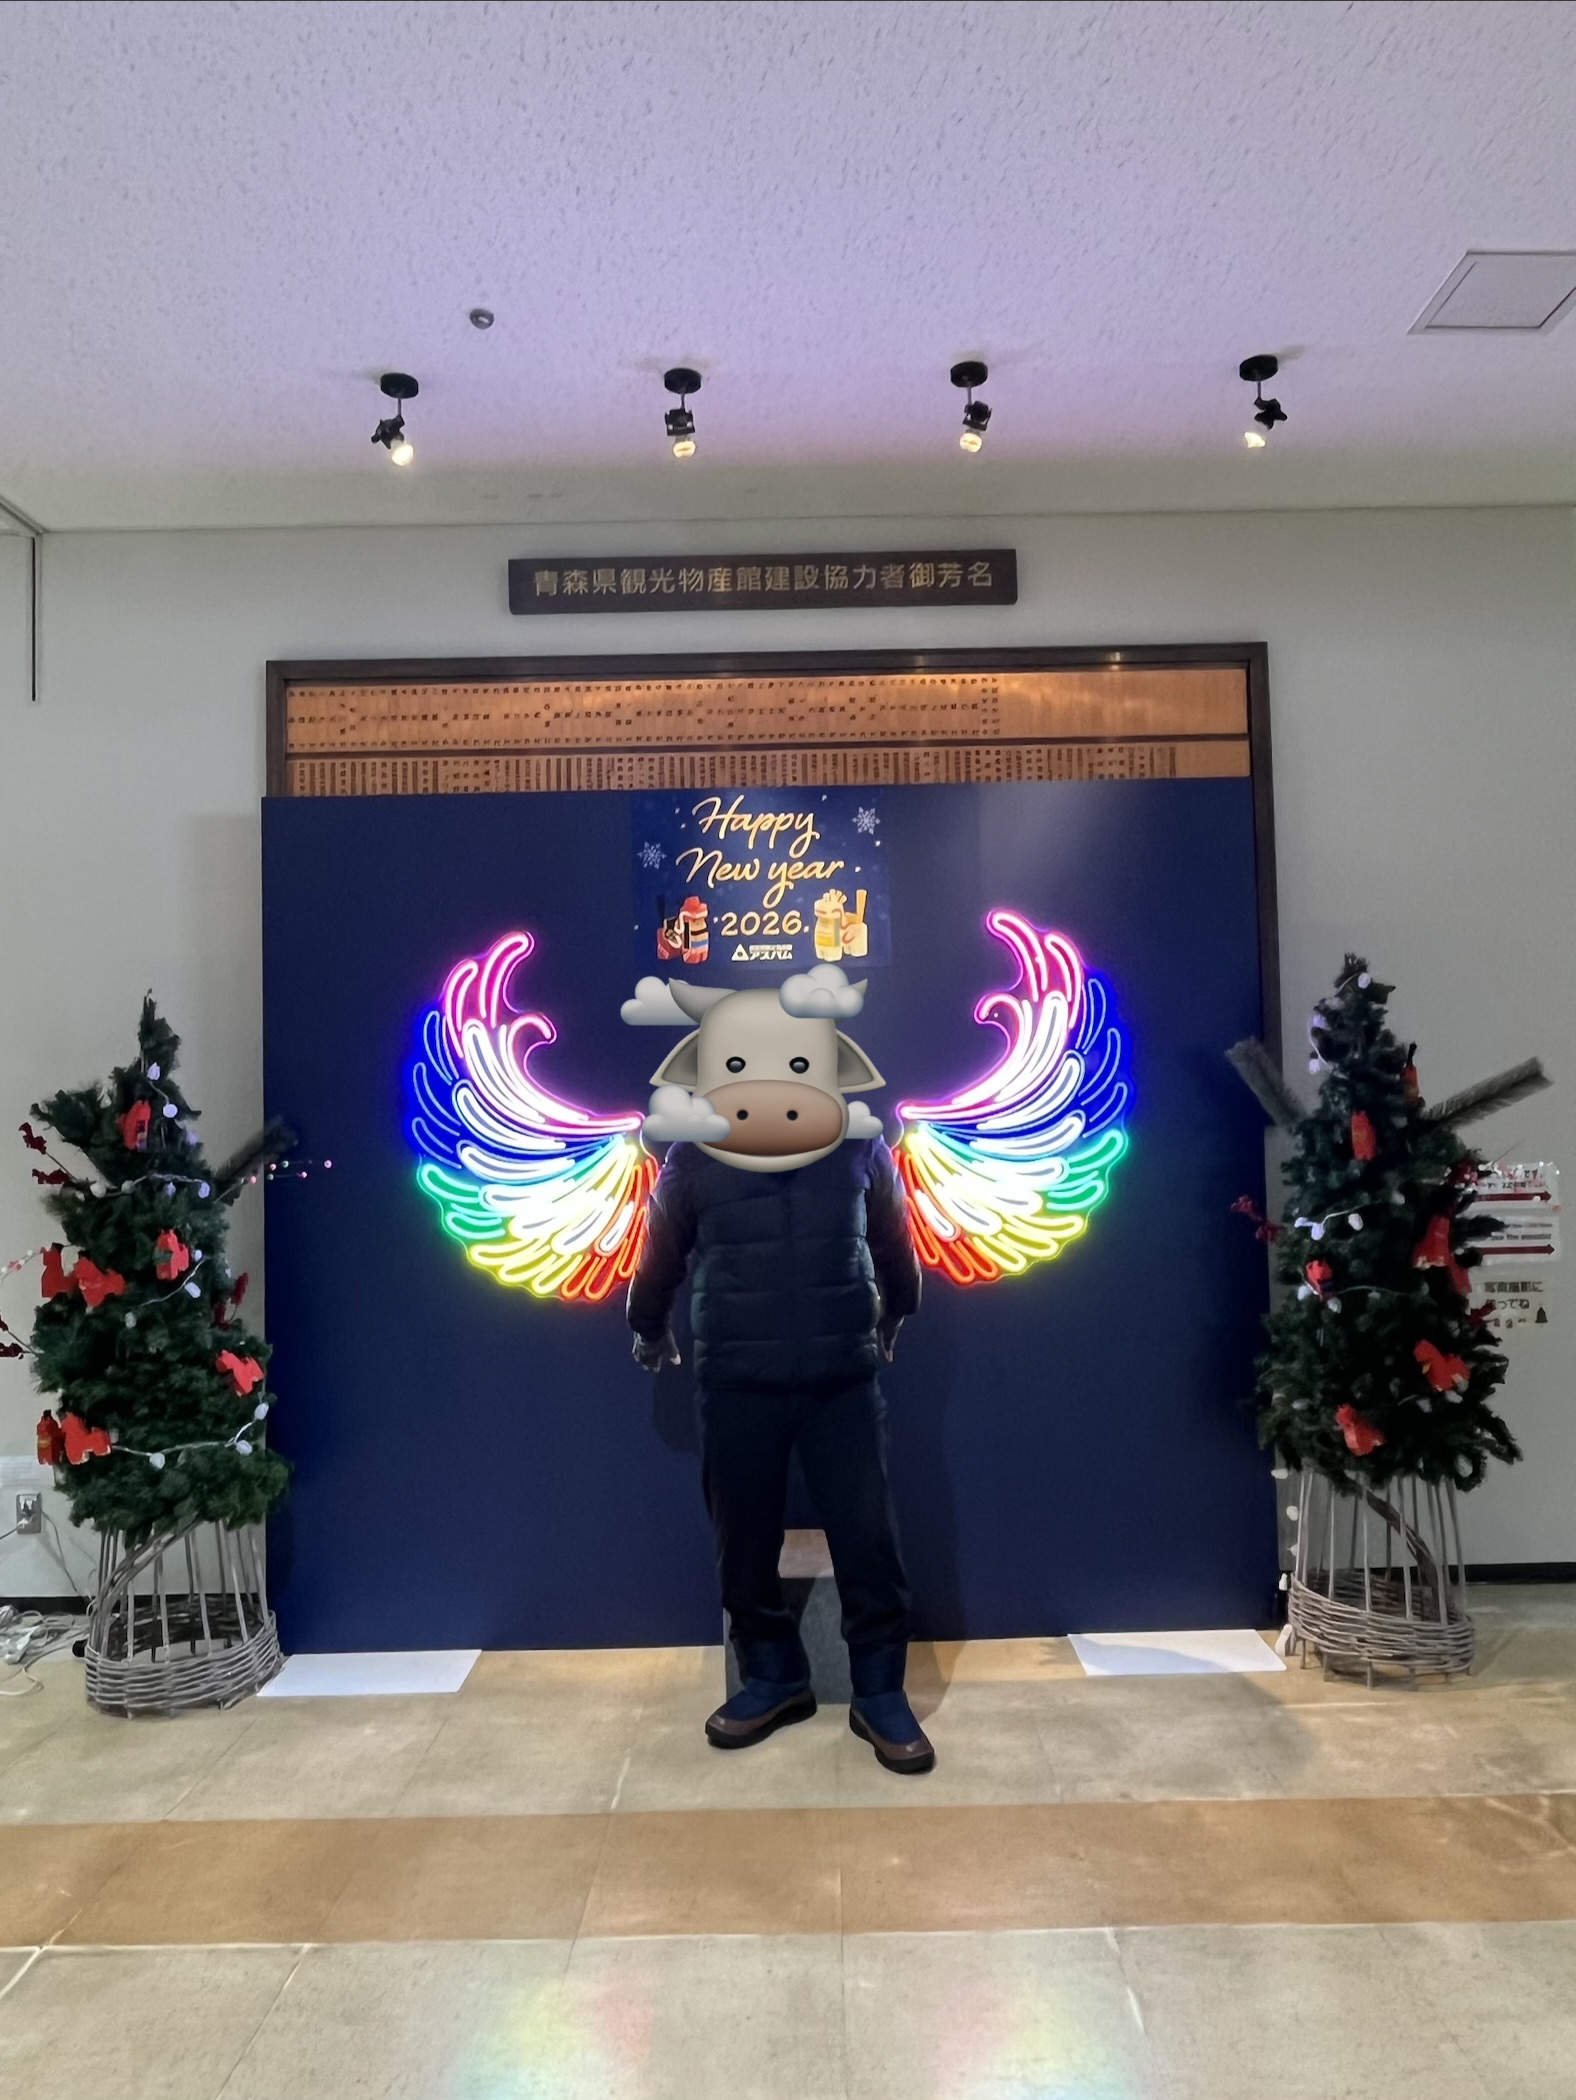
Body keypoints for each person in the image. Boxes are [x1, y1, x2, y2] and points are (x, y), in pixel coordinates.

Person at [627, 1114, 931, 1774]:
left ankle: (880, 1691)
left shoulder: (857, 1141)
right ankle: (773, 1677)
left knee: (869, 1541)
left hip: (842, 1381)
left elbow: (892, 1237)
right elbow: (661, 1250)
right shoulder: (696, 1151)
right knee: (743, 1543)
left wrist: (899, 1304)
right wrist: (647, 1322)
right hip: (737, 1380)